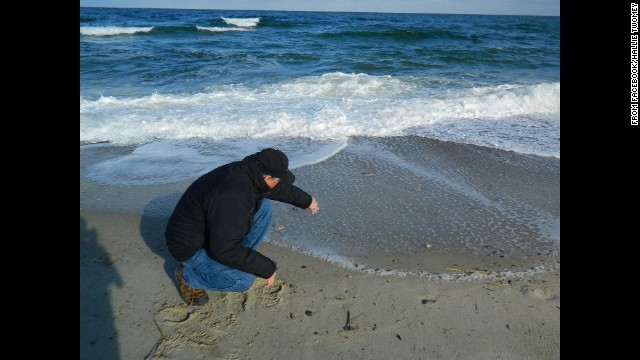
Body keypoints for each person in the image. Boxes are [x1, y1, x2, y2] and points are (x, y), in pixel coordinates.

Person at [165, 148, 319, 305]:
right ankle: (188, 276)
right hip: (189, 247)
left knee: (264, 207)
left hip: (212, 232)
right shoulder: (233, 196)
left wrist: (306, 201)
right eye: (278, 180)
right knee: (243, 280)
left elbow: (275, 188)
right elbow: (224, 249)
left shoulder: (249, 170)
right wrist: (267, 269)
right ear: (267, 177)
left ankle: (240, 258)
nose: (279, 184)